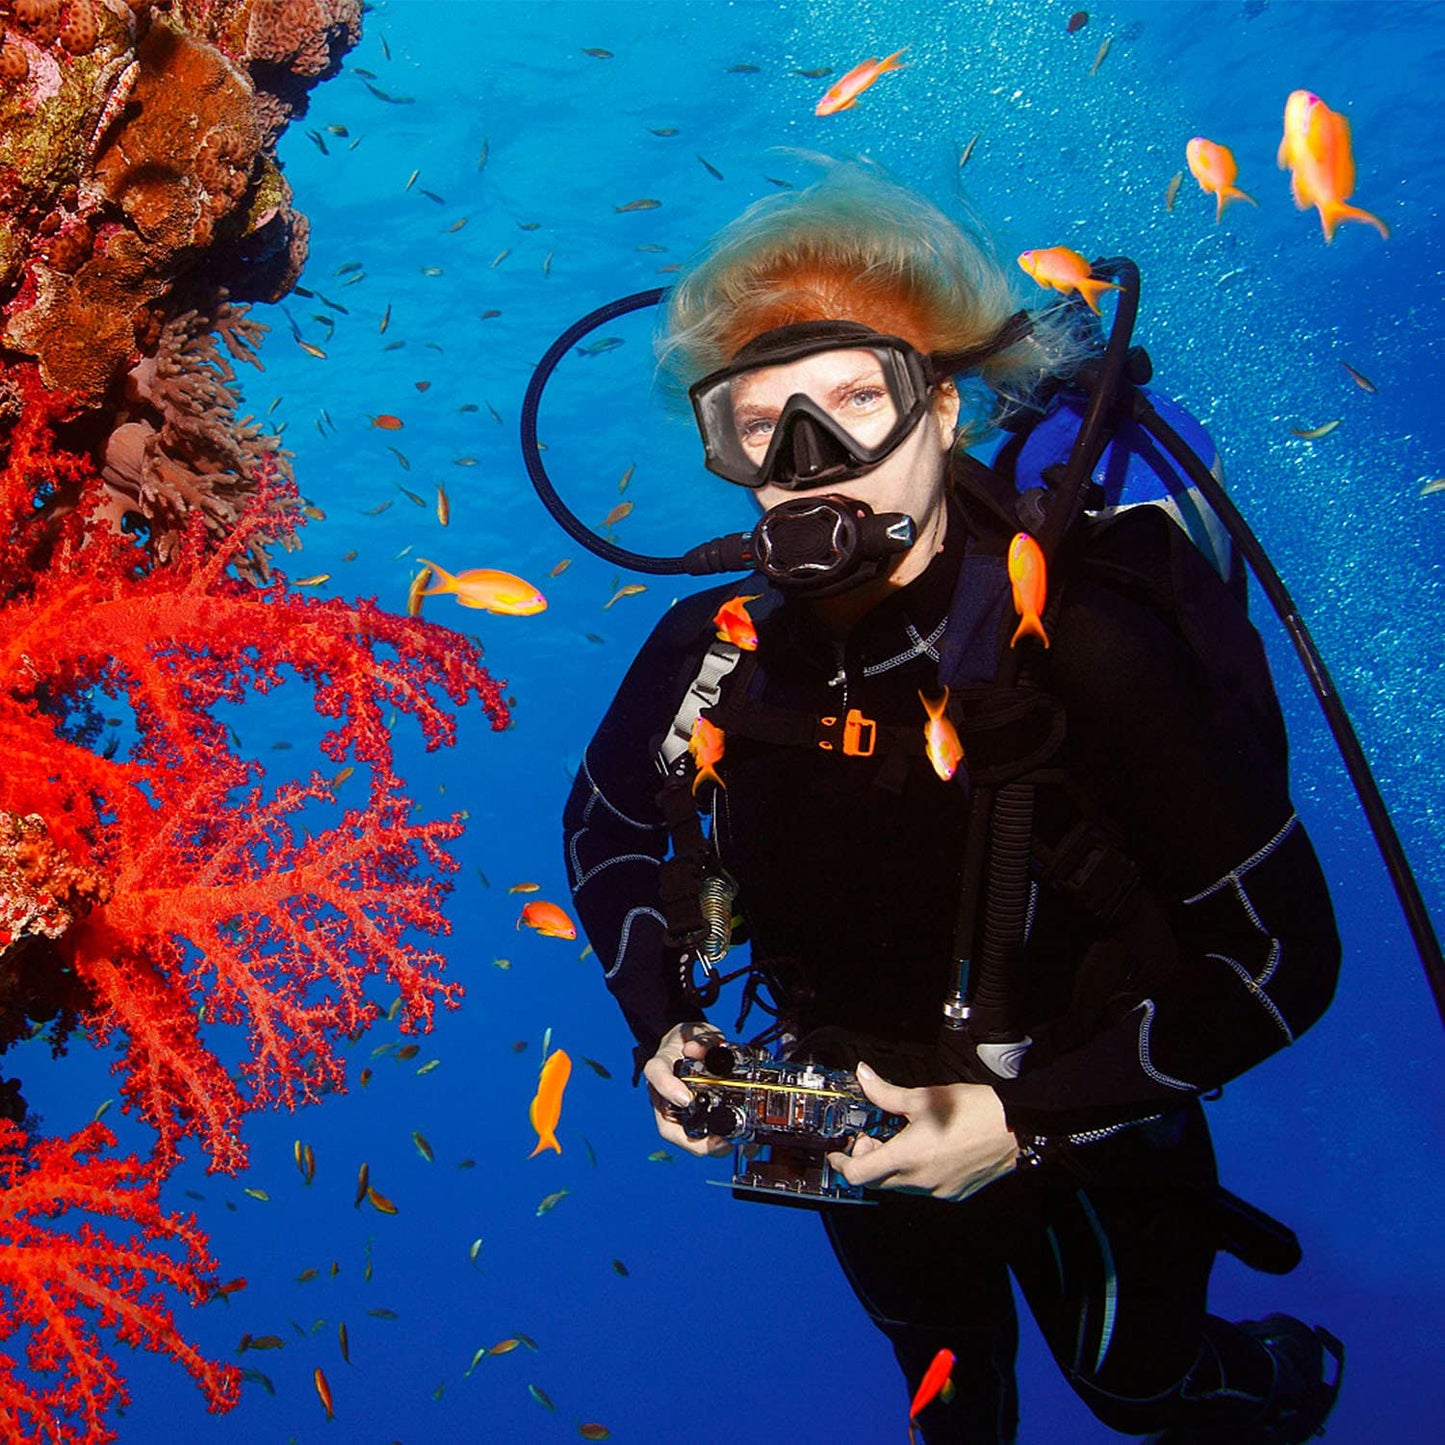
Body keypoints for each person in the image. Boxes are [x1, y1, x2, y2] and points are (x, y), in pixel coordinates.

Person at [561, 162, 1343, 1444]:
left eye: (856, 400)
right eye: (757, 424)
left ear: (943, 407)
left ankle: (1268, 1376)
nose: (807, 464)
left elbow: (1281, 957)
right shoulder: (712, 645)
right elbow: (605, 826)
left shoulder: (1081, 639)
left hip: (1087, 1100)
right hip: (836, 1110)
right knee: (953, 1407)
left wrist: (1021, 1119)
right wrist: (661, 1023)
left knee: (1136, 1386)